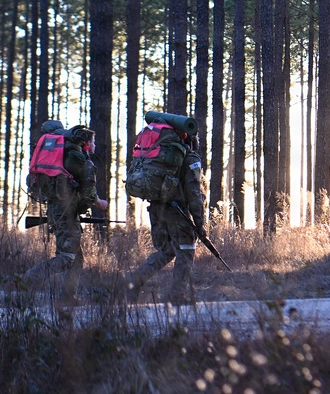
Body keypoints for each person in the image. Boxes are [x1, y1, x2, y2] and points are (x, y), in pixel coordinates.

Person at [25, 124, 108, 306]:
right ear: (86, 143)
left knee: (77, 258)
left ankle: (68, 297)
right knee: (66, 257)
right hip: (65, 213)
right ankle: (26, 280)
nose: (95, 146)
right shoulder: (81, 160)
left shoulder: (68, 156)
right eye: (93, 142)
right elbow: (88, 193)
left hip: (61, 210)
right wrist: (99, 203)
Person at [124, 129, 206, 305]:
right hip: (177, 213)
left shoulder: (160, 157)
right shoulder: (190, 159)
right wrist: (199, 223)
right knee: (186, 250)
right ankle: (177, 295)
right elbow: (194, 193)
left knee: (166, 250)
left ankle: (133, 282)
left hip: (156, 210)